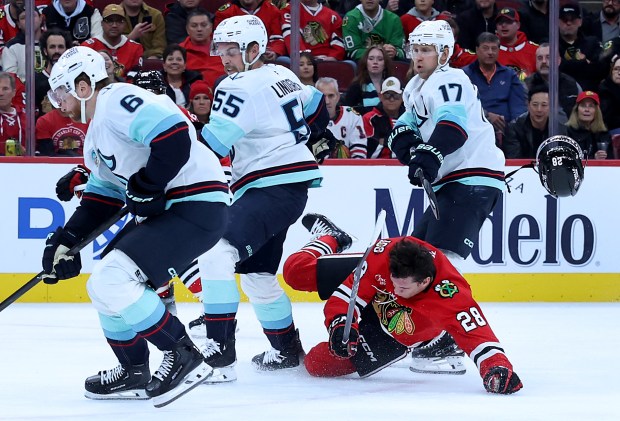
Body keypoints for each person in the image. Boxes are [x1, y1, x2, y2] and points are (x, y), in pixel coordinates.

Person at [41, 46, 229, 406]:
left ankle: (182, 352)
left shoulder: (116, 97)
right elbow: (103, 198)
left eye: (60, 91)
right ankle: (134, 370)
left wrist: (147, 183)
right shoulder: (95, 137)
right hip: (173, 211)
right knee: (103, 286)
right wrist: (67, 241)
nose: (57, 101)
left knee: (113, 278)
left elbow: (174, 135)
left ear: (83, 85)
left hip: (195, 203)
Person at [193, 14, 329, 380]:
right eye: (220, 49)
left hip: (268, 186)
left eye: (232, 50)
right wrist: (308, 139)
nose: (224, 57)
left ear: (254, 49)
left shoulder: (236, 86)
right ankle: (286, 349)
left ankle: (218, 353)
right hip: (286, 188)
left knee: (216, 251)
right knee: (256, 274)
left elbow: (211, 145)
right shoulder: (282, 74)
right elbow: (318, 107)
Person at [282, 214, 523, 395]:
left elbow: (477, 334)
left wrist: (496, 367)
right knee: (295, 272)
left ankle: (439, 341)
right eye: (393, 283)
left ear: (425, 282)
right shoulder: (383, 258)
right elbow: (345, 297)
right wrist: (339, 324)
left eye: (404, 289)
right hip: (372, 287)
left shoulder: (449, 293)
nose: (396, 291)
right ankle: (331, 238)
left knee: (316, 363)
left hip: (392, 336)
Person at [387, 20, 506, 372]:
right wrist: (409, 147)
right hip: (453, 182)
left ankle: (448, 342)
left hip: (472, 179)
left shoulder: (449, 79)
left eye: (426, 50)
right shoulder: (415, 86)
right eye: (415, 49)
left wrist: (426, 156)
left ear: (444, 53)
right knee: (420, 259)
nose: (419, 56)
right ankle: (431, 334)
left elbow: (452, 127)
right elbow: (405, 129)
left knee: (442, 261)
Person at [463, 32, 527, 145]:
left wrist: (511, 127)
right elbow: (464, 105)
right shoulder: (464, 75)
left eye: (494, 49)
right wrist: (487, 116)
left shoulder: (510, 75)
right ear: (477, 50)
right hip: (474, 129)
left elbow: (518, 107)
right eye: (486, 48)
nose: (490, 52)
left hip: (506, 131)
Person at [503, 85, 568, 159]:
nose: (539, 109)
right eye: (535, 105)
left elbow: (564, 158)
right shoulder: (514, 129)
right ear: (528, 105)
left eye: (544, 105)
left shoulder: (560, 129)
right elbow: (514, 160)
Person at [81, 4, 144, 77]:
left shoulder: (135, 48)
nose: (114, 25)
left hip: (125, 87)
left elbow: (135, 77)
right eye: (109, 21)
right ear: (102, 23)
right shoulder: (88, 47)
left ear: (125, 24)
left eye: (119, 21)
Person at [558, 2, 607, 92]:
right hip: (560, 95)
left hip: (589, 98)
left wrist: (564, 63)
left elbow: (601, 69)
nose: (568, 23)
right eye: (564, 20)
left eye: (572, 19)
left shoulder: (592, 42)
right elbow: (552, 70)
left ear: (580, 22)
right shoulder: (551, 44)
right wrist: (584, 62)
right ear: (557, 22)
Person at [215, 0, 286, 62]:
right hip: (235, 58)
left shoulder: (272, 10)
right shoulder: (225, 13)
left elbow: (277, 39)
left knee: (284, 61)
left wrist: (274, 52)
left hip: (264, 59)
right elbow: (220, 42)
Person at [524, 43, 581, 118]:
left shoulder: (571, 84)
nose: (544, 61)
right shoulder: (526, 85)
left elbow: (579, 114)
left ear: (558, 61)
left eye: (548, 57)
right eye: (540, 58)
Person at [316, 77, 368, 159]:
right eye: (323, 96)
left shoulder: (352, 116)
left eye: (331, 96)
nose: (327, 101)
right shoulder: (308, 119)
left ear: (338, 97)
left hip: (347, 169)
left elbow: (359, 151)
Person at [179, 9, 225, 91]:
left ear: (211, 27)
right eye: (194, 26)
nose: (199, 29)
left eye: (203, 25)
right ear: (187, 29)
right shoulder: (179, 51)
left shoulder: (226, 46)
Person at [343, 45, 395, 115]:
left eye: (380, 59)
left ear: (385, 64)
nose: (375, 62)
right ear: (365, 62)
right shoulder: (356, 86)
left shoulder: (393, 84)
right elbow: (348, 112)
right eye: (371, 59)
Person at [363, 76, 405, 158]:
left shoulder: (411, 118)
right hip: (377, 168)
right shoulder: (369, 119)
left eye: (396, 95)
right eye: (387, 95)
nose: (391, 99)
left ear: (403, 97)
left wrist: (385, 142)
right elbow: (369, 152)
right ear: (380, 96)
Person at [566, 90, 612, 160]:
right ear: (576, 110)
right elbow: (566, 159)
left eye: (591, 106)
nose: (587, 110)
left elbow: (613, 161)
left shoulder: (603, 133)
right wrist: (593, 159)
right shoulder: (567, 131)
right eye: (583, 106)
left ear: (597, 111)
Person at [36, 29, 72, 117]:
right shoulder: (34, 82)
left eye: (60, 47)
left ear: (67, 50)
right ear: (45, 51)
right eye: (52, 47)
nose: (57, 51)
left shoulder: (74, 79)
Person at [1, 7, 44, 81]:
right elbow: (11, 80)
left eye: (33, 15)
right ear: (18, 24)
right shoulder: (11, 48)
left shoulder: (53, 42)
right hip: (23, 91)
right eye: (24, 18)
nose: (29, 20)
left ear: (40, 19)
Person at [495, 7, 538, 80]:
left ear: (518, 25)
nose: (503, 25)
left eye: (508, 22)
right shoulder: (489, 50)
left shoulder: (535, 50)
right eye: (500, 22)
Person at [161, 44, 202, 108]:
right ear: (164, 65)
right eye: (170, 59)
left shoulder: (194, 81)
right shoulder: (156, 83)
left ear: (185, 65)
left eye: (179, 59)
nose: (174, 62)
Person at [0, 72, 25, 156]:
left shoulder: (25, 119)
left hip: (23, 166)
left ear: (14, 92)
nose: (0, 93)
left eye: (5, 89)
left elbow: (35, 150)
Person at [599, 54, 620, 134]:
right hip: (613, 130)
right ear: (611, 71)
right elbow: (607, 119)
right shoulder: (605, 89)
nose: (619, 73)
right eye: (616, 69)